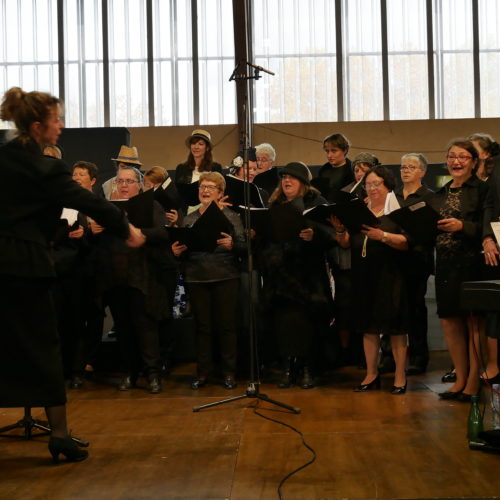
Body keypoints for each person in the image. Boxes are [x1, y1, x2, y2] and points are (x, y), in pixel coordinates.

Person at [0, 87, 144, 463]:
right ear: (37, 127)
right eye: (56, 120)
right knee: (45, 349)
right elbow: (88, 200)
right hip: (25, 268)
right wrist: (126, 229)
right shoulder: (44, 167)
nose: (61, 126)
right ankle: (59, 436)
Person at [94, 166, 173, 394]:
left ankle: (153, 374)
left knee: (145, 327)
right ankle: (130, 371)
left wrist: (140, 232)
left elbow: (163, 232)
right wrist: (94, 230)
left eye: (129, 181)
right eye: (120, 181)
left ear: (139, 185)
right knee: (124, 328)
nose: (124, 185)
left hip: (143, 278)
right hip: (116, 277)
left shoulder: (150, 206)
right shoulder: (108, 209)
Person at [334, 166, 410, 394]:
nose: (372, 188)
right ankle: (371, 373)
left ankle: (399, 376)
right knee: (368, 327)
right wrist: (339, 230)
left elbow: (406, 242)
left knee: (395, 329)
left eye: (377, 184)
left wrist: (383, 236)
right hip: (363, 276)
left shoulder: (397, 212)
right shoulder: (360, 211)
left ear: (388, 186)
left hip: (390, 275)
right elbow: (347, 243)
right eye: (368, 184)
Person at [257, 162, 334, 388]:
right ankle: (289, 366)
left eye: (292, 178)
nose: (287, 181)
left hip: (307, 277)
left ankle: (308, 367)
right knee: (283, 324)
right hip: (280, 278)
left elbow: (331, 234)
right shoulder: (275, 205)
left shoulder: (316, 204)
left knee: (306, 323)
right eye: (284, 178)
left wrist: (315, 234)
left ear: (303, 182)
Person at [171, 172, 245, 390]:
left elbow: (243, 245)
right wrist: (177, 251)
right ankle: (202, 372)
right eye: (202, 186)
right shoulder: (190, 219)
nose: (204, 190)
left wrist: (233, 245)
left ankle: (228, 372)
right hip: (197, 276)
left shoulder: (231, 216)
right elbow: (184, 250)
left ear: (220, 193)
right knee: (202, 327)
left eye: (210, 187)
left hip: (226, 275)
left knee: (226, 326)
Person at [433, 139, 488, 402]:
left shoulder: (483, 190)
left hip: (472, 262)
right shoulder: (441, 192)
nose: (456, 161)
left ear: (474, 162)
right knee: (449, 321)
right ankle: (460, 378)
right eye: (452, 156)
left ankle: (474, 381)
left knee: (473, 321)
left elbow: (489, 228)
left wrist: (462, 226)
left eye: (463, 157)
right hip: (444, 263)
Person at [394, 153, 435, 375]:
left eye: (411, 167)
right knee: (394, 310)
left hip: (417, 259)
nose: (405, 170)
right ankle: (391, 356)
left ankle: (419, 356)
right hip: (394, 258)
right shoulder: (394, 195)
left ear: (422, 171)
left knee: (416, 309)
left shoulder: (429, 196)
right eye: (402, 167)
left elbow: (430, 230)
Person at [317, 133, 355, 200]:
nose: (329, 155)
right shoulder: (323, 170)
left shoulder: (352, 170)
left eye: (334, 151)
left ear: (344, 150)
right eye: (327, 151)